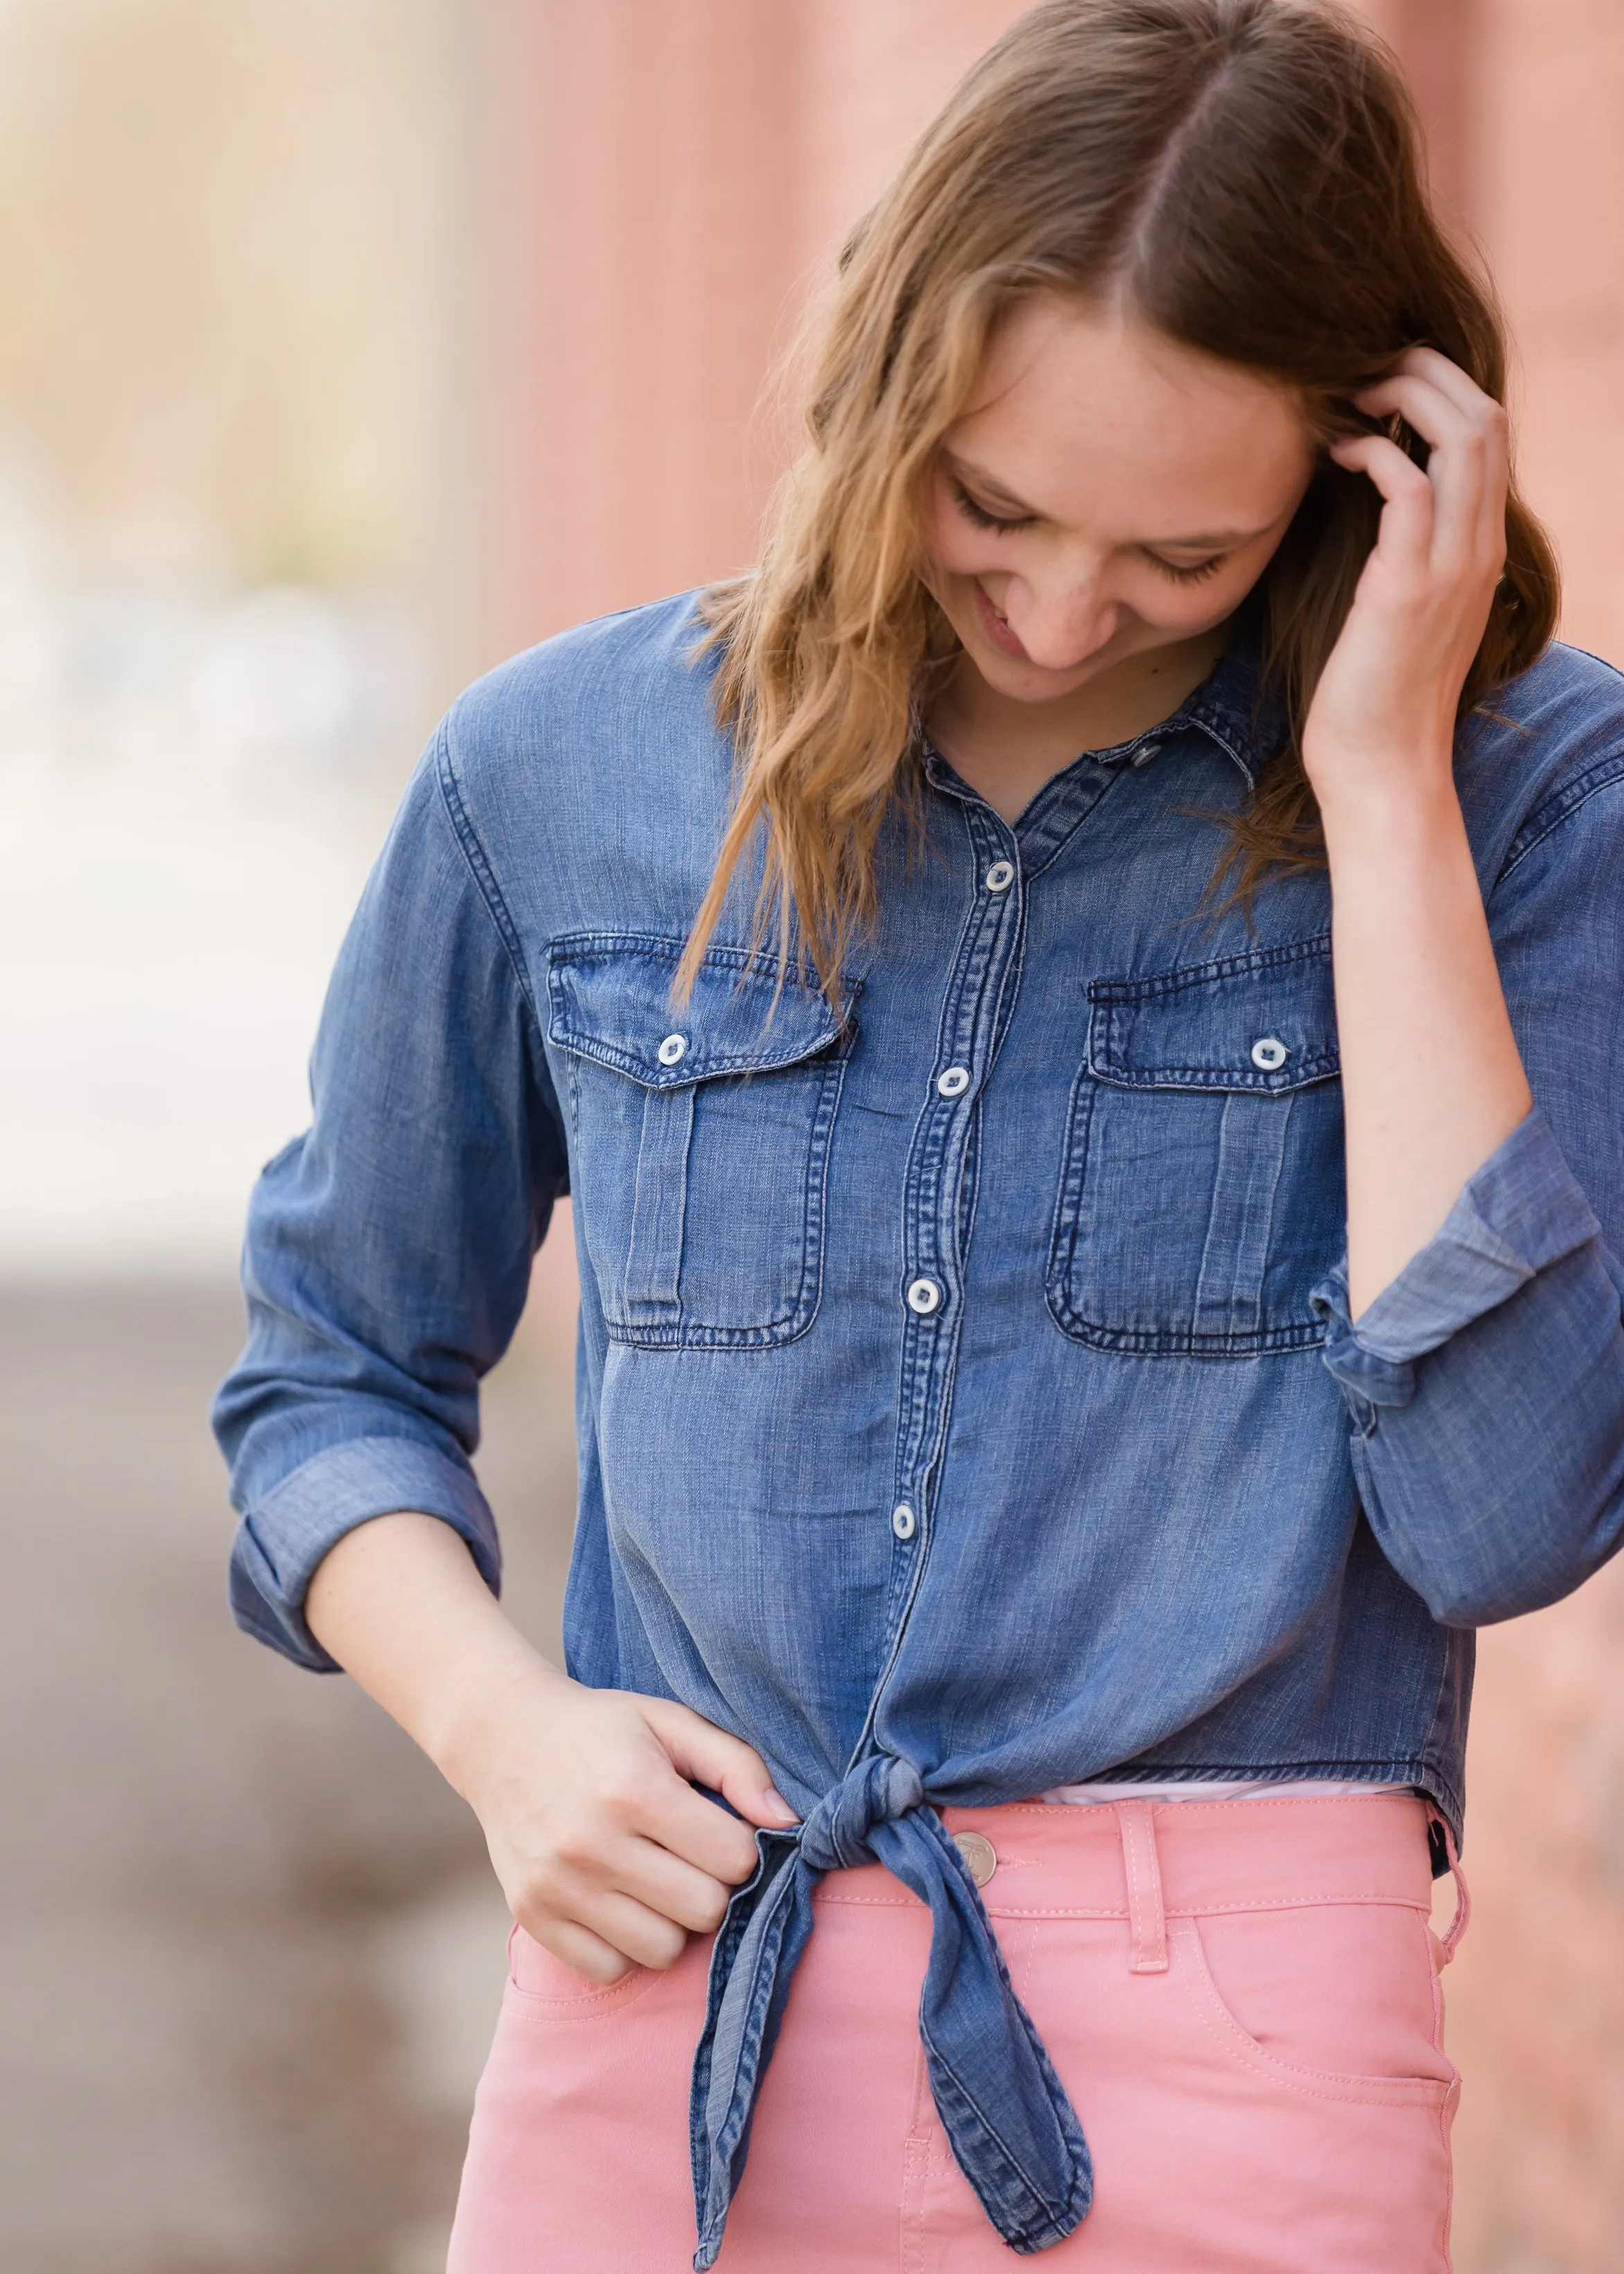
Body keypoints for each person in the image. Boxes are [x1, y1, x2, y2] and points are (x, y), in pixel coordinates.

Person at [213, 1, 1624, 2266]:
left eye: (1179, 549)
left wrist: (1377, 793)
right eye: (994, 506)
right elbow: (328, 1370)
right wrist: (502, 1737)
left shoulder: (1528, 800)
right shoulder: (554, 777)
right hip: (667, 2009)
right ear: (880, 386)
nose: (1065, 613)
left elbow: (1500, 1513)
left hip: (1245, 2056)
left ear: (1363, 461)